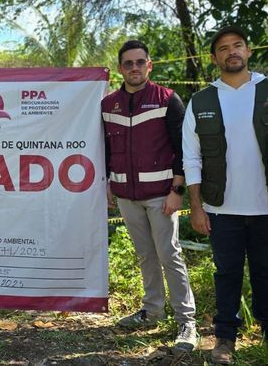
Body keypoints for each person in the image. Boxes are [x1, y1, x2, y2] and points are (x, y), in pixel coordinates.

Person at [182, 27, 268, 364]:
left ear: (248, 51)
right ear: (214, 57)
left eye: (237, 46)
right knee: (226, 273)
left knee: (266, 273)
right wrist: (197, 207)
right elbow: (191, 156)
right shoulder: (201, 99)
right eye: (223, 48)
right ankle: (224, 340)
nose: (231, 52)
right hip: (221, 208)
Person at [102, 40, 198, 350]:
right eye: (128, 63)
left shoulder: (167, 99)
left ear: (149, 65)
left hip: (161, 196)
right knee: (145, 255)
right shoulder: (108, 105)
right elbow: (105, 148)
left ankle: (187, 322)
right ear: (120, 68)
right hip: (126, 197)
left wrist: (177, 190)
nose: (134, 68)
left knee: (170, 254)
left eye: (139, 62)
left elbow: (183, 147)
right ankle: (152, 310)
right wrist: (107, 183)